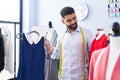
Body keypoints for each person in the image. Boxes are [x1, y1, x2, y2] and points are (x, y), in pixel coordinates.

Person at [44, 6, 93, 80]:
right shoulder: (61, 35)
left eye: (74, 18)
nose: (73, 22)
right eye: (69, 20)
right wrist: (47, 45)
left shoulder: (87, 33)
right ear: (63, 21)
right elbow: (57, 54)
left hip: (80, 77)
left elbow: (95, 53)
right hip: (63, 77)